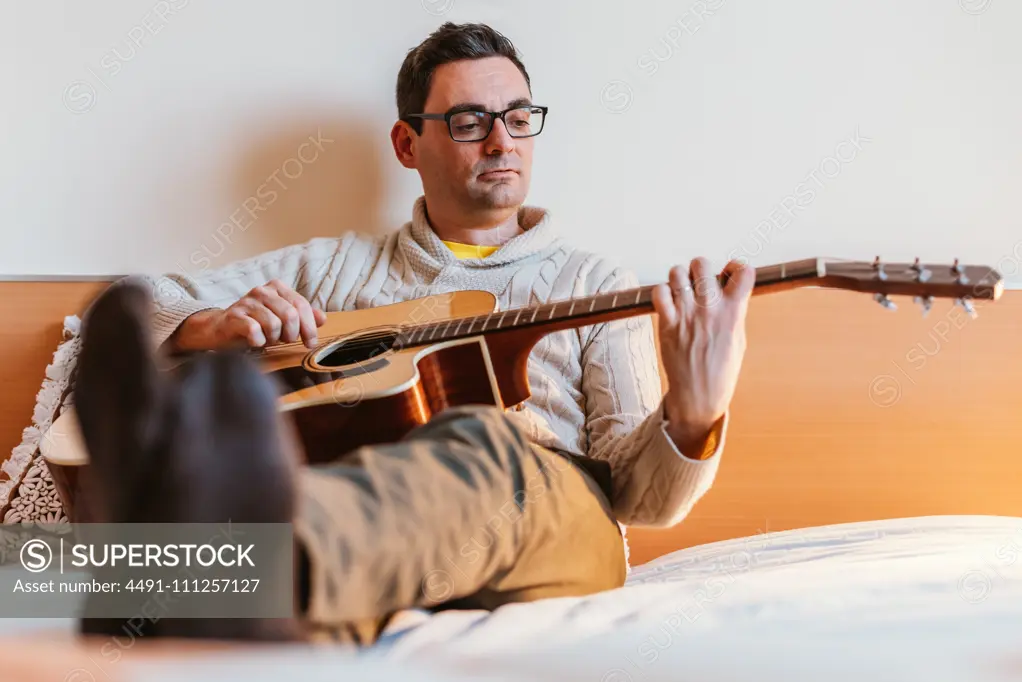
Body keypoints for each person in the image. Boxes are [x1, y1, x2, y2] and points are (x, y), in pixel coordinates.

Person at [140, 22, 755, 644]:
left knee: (486, 441)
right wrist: (205, 326)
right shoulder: (332, 267)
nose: (500, 141)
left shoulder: (598, 284)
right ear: (407, 144)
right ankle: (195, 611)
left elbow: (643, 500)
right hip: (388, 537)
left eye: (518, 118)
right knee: (308, 624)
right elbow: (133, 307)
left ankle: (155, 565)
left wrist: (693, 413)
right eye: (469, 121)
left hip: (552, 518)